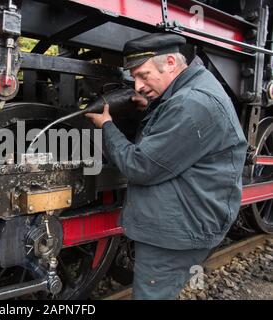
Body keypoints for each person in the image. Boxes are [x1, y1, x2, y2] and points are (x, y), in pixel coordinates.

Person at [85, 33, 248, 299]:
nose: (137, 86)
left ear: (170, 62)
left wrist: (107, 127)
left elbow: (139, 166)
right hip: (185, 218)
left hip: (176, 232)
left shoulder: (191, 103)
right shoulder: (194, 86)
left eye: (143, 75)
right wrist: (150, 106)